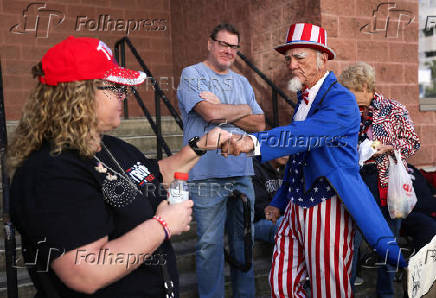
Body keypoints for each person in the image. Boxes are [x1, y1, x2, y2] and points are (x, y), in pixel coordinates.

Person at [8, 36, 231, 297]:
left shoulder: (114, 147)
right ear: (79, 94)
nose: (124, 95)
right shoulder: (50, 170)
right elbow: (85, 271)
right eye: (116, 87)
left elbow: (157, 174)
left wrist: (202, 145)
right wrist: (163, 225)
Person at [221, 23, 408, 298]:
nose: (291, 65)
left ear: (323, 58)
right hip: (295, 208)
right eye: (288, 59)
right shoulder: (304, 101)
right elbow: (299, 160)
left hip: (327, 207)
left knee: (328, 288)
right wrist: (278, 200)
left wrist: (254, 141)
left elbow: (304, 135)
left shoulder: (341, 100)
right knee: (281, 284)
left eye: (300, 57)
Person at [176, 23, 265, 297]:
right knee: (209, 247)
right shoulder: (192, 74)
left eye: (234, 46)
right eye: (223, 44)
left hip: (242, 173)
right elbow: (210, 115)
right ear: (210, 43)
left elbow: (260, 123)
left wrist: (223, 110)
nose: (228, 51)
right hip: (207, 176)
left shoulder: (242, 81)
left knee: (244, 243)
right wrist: (242, 110)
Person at [339, 62, 420, 297]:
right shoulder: (347, 111)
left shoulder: (394, 109)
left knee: (387, 240)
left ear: (365, 86)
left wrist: (388, 147)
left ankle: (385, 293)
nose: (346, 96)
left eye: (350, 91)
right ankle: (346, 291)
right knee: (349, 240)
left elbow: (413, 142)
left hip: (385, 183)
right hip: (354, 181)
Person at [253, 156, 288, 243]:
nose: (286, 154)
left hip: (281, 217)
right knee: (287, 225)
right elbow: (258, 209)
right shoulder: (255, 168)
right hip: (258, 222)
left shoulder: (288, 169)